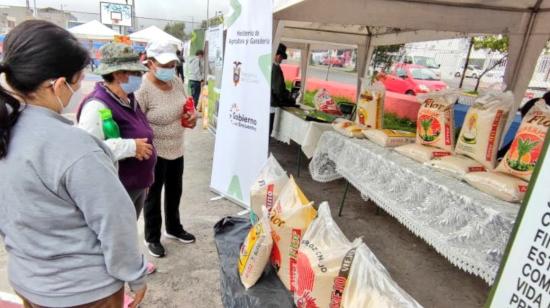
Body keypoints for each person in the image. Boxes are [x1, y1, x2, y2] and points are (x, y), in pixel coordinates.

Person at [0, 20, 147, 308]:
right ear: (57, 85)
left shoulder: (6, 130)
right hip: (85, 292)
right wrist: (134, 273)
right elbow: (115, 223)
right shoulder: (75, 147)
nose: (79, 89)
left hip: (29, 282)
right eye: (77, 81)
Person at [76, 43, 157, 271]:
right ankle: (118, 276)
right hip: (116, 186)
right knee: (114, 234)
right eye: (136, 73)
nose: (140, 77)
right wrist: (130, 147)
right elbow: (87, 150)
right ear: (120, 74)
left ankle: (131, 264)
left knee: (128, 229)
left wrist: (145, 179)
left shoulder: (128, 98)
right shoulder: (96, 105)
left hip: (135, 183)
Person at [136, 40, 197, 258]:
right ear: (150, 63)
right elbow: (135, 123)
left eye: (172, 64)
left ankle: (173, 228)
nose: (169, 68)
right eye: (165, 64)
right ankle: (152, 236)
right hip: (154, 152)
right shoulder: (142, 89)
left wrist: (193, 116)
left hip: (177, 147)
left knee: (175, 190)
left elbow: (189, 104)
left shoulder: (177, 81)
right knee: (153, 195)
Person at [270, 43, 298, 134]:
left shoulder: (268, 65)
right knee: (267, 131)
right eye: (281, 57)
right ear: (277, 55)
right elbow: (278, 89)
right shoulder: (275, 68)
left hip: (265, 103)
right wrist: (289, 97)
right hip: (270, 104)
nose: (281, 60)